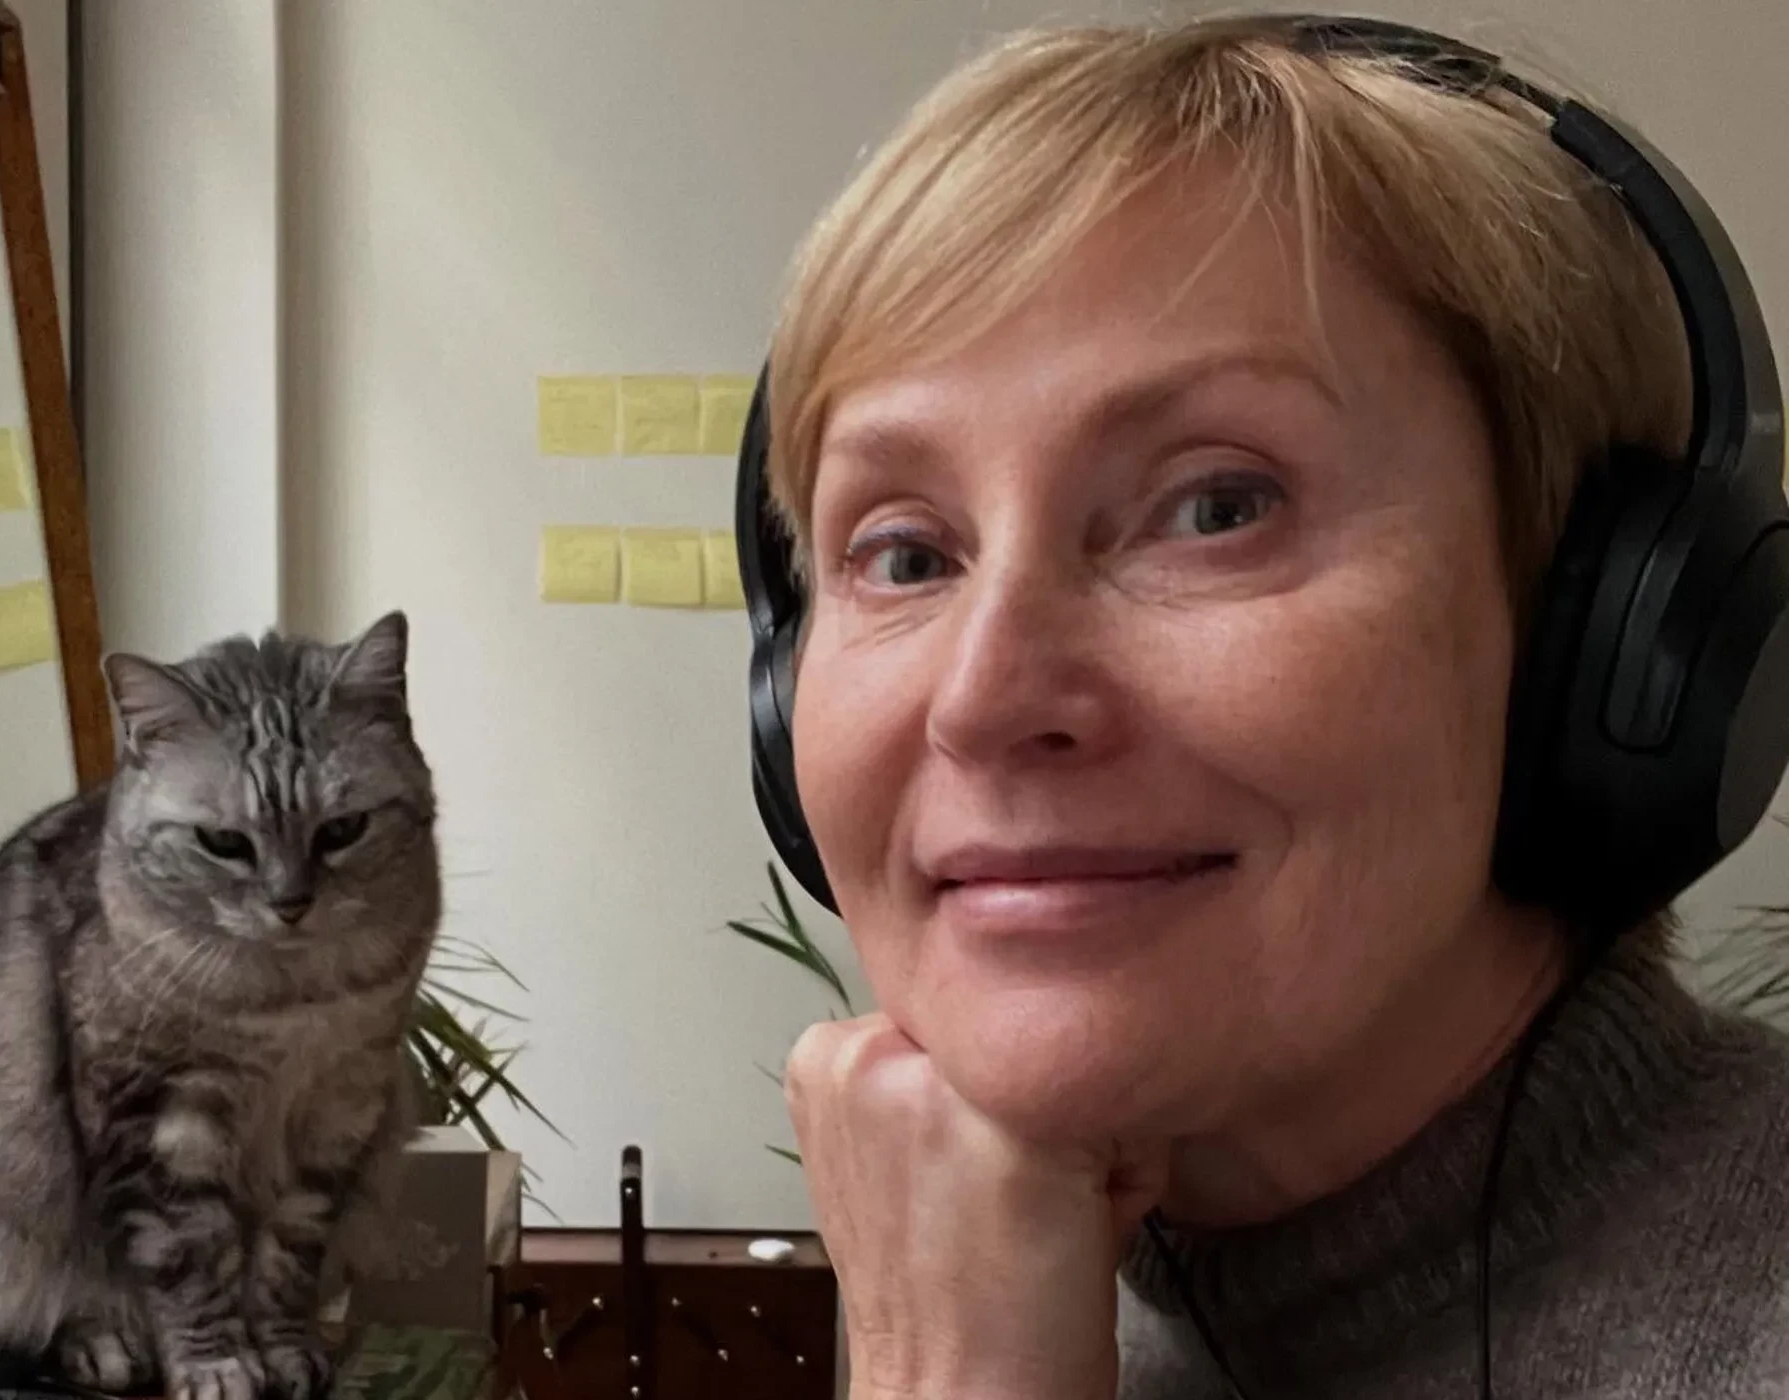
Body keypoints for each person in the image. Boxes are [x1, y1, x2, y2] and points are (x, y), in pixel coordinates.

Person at [745, 14, 1789, 1400]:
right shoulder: (967, 1277)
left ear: (1600, 638)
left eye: (1217, 507)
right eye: (905, 555)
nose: (985, 697)